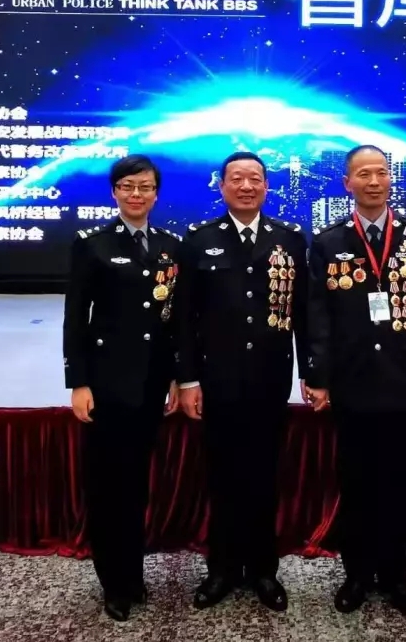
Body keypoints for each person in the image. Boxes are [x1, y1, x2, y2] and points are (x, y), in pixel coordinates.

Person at [302, 145, 406, 617]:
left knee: (395, 479)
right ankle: (356, 573)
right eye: (363, 174)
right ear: (347, 183)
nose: (373, 181)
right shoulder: (328, 242)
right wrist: (317, 376)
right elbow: (317, 316)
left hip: (401, 378)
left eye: (381, 172)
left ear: (391, 180)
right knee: (355, 479)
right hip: (351, 381)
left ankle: (394, 573)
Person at [174, 151, 309, 613]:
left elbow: (303, 313)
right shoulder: (200, 239)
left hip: (270, 377)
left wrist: (311, 372)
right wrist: (187, 380)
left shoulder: (289, 239)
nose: (246, 186)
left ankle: (264, 570)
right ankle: (223, 569)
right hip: (218, 378)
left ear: (266, 186)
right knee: (223, 475)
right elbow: (184, 317)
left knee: (265, 475)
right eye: (237, 179)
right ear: (222, 186)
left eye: (255, 179)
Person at [63, 154, 182, 622]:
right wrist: (78, 381)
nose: (137, 194)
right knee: (108, 486)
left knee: (135, 485)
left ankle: (134, 574)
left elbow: (172, 321)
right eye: (128, 186)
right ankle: (113, 582)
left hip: (151, 384)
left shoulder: (169, 245)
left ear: (156, 193)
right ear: (115, 192)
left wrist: (176, 376)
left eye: (145, 187)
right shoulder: (92, 244)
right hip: (107, 384)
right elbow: (76, 318)